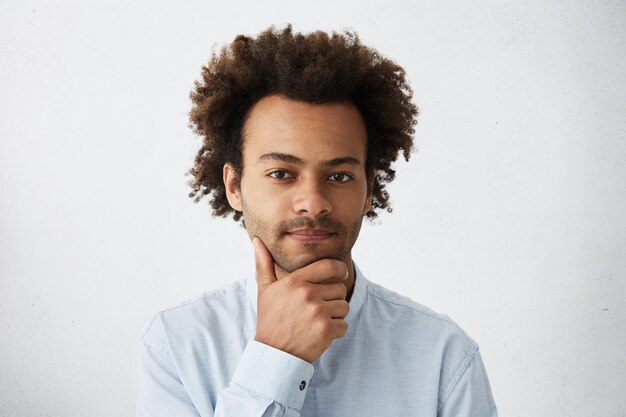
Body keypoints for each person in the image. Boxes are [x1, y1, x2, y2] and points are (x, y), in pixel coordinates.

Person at [136, 25, 498, 417]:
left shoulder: (445, 357)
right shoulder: (177, 344)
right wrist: (276, 357)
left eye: (339, 176)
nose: (313, 203)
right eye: (281, 173)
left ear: (368, 190)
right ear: (235, 186)